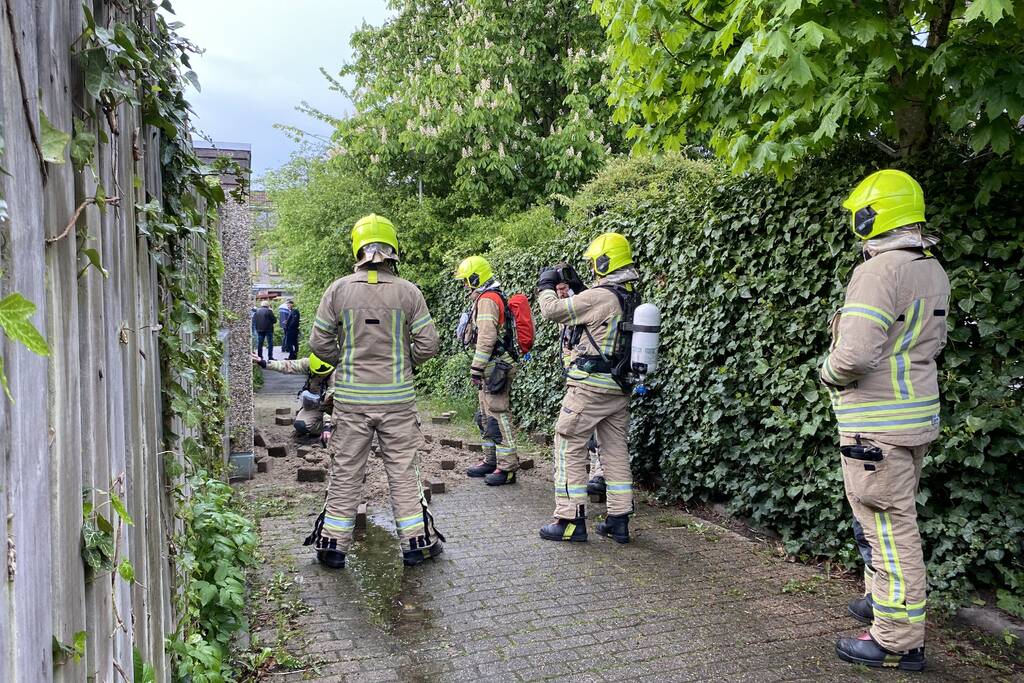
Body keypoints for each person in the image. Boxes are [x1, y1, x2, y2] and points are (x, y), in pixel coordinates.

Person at [822, 170, 950, 671]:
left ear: (873, 215)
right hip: (913, 417)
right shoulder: (930, 268)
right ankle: (883, 602)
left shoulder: (879, 270)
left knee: (888, 530)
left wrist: (827, 371)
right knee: (885, 521)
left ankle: (897, 641)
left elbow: (853, 354)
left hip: (876, 421)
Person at [303, 213, 443, 569]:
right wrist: (404, 361)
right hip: (397, 399)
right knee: (403, 471)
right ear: (393, 248)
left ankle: (332, 545)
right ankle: (416, 544)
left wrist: (345, 359)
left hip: (351, 400)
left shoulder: (338, 289)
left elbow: (318, 342)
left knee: (347, 470)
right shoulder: (409, 292)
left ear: (358, 247)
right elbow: (429, 344)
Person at [535, 233, 639, 544]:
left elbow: (553, 311)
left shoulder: (601, 296)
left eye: (595, 264)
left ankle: (569, 520)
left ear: (605, 261)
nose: (593, 270)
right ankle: (618, 521)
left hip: (589, 386)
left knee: (568, 441)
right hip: (618, 387)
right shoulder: (628, 295)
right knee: (615, 450)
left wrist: (545, 286)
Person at [453, 255, 520, 486]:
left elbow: (487, 338)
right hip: (491, 366)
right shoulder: (485, 297)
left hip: (495, 366)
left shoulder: (488, 300)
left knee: (498, 416)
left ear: (475, 278)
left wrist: (476, 366)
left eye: (466, 280)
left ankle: (508, 468)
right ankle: (491, 460)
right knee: (485, 416)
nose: (464, 285)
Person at [554, 270, 606, 496]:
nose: (562, 293)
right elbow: (566, 345)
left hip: (593, 377)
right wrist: (569, 366)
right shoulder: (566, 313)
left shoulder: (585, 303)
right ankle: (595, 474)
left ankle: (599, 474)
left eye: (564, 288)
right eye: (557, 290)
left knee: (599, 431)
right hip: (577, 377)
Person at [252, 353, 333, 438]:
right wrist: (264, 363)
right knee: (301, 425)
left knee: (334, 423)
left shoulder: (336, 376)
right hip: (317, 404)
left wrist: (327, 426)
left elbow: (329, 405)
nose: (319, 376)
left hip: (335, 409)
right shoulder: (310, 363)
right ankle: (322, 426)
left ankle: (335, 429)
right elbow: (289, 365)